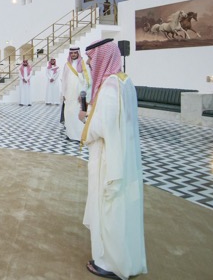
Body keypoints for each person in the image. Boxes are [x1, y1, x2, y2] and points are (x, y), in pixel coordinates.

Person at [79, 38, 147, 280]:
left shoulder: (109, 88)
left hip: (109, 160)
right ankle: (122, 259)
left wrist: (85, 117)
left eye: (91, 58)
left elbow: (101, 127)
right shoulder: (124, 82)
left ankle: (109, 263)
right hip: (122, 155)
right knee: (118, 209)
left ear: (103, 57)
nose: (89, 63)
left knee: (109, 208)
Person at [61, 46, 91, 142]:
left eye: (75, 53)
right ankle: (70, 134)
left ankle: (79, 136)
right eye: (72, 53)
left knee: (77, 113)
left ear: (78, 53)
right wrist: (63, 93)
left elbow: (87, 80)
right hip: (68, 94)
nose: (73, 54)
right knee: (68, 113)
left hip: (78, 94)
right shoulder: (67, 65)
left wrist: (83, 94)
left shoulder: (83, 64)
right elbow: (64, 80)